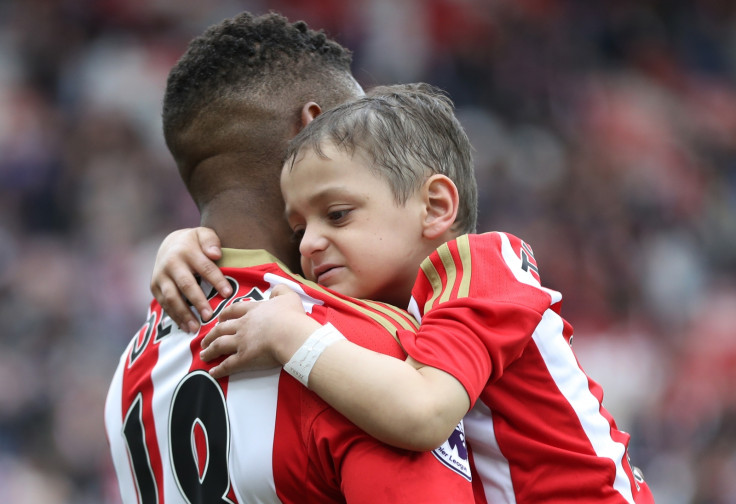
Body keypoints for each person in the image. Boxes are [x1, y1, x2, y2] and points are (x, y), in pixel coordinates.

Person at [154, 83, 655, 503]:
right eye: (297, 227)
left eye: (337, 215)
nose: (308, 244)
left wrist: (291, 337)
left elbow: (422, 414)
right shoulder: (389, 293)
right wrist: (187, 245)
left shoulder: (481, 267)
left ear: (435, 207)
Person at [103, 12, 475, 504]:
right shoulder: (352, 347)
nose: (384, 151)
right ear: (314, 128)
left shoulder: (130, 371)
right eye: (361, 127)